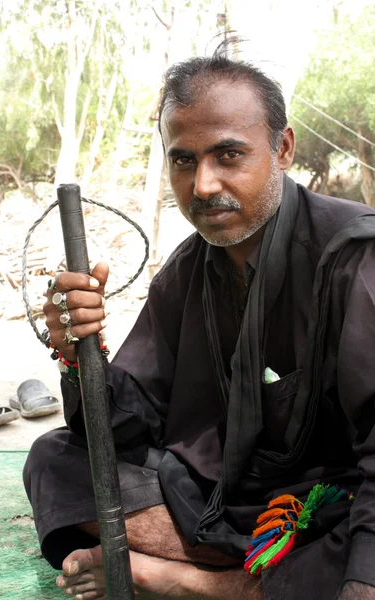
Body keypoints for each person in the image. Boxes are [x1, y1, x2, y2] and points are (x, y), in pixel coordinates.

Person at [24, 41, 375, 600]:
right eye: (184, 159)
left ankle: (191, 583)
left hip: (333, 503)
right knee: (54, 459)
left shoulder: (353, 256)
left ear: (281, 149)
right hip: (232, 503)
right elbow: (126, 427)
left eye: (228, 155)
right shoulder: (186, 272)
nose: (204, 185)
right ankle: (253, 579)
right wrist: (76, 352)